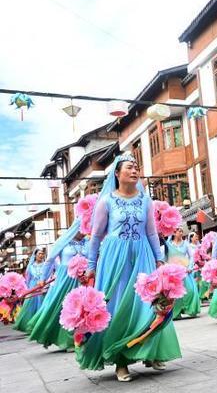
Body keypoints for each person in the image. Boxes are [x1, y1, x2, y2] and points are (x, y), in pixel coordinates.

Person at [79, 154, 181, 382]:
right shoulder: (106, 201)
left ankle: (151, 352)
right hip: (115, 258)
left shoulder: (146, 200)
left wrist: (159, 258)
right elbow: (95, 237)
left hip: (143, 253)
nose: (134, 170)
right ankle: (120, 361)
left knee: (149, 304)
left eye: (136, 167)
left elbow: (152, 232)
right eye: (129, 167)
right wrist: (91, 266)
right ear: (117, 173)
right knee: (118, 306)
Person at [27, 222, 88, 350]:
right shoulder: (63, 241)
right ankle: (67, 340)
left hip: (84, 279)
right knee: (64, 308)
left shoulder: (88, 242)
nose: (84, 231)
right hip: (66, 279)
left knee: (84, 308)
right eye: (83, 228)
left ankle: (83, 337)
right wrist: (43, 278)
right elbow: (49, 260)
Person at [166, 227, 201, 318]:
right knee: (175, 293)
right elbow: (165, 257)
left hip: (184, 271)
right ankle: (176, 313)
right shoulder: (169, 244)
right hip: (173, 273)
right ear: (174, 232)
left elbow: (192, 257)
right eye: (179, 231)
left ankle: (191, 309)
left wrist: (190, 267)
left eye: (182, 231)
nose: (181, 232)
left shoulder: (185, 244)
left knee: (190, 291)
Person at [13, 247, 48, 333]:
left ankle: (41, 326)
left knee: (42, 306)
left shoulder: (46, 265)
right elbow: (27, 279)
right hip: (32, 287)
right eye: (39, 254)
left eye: (42, 254)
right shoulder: (30, 267)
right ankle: (30, 326)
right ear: (35, 255)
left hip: (44, 286)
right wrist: (27, 291)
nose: (41, 255)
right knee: (30, 307)